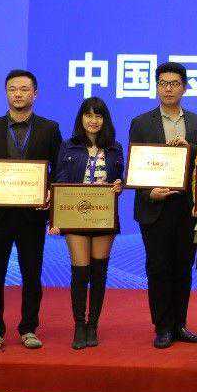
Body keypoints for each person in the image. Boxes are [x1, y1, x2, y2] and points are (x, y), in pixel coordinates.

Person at [0, 70, 62, 353]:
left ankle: (28, 328)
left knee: (31, 274)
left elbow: (58, 170)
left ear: (34, 93)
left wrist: (50, 195)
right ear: (6, 92)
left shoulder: (49, 128)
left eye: (24, 89)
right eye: (13, 89)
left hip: (32, 215)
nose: (18, 94)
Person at [128, 61, 197, 349]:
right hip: (155, 206)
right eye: (163, 83)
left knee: (183, 267)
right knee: (158, 267)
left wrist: (191, 149)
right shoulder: (141, 122)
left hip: (186, 206)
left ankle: (180, 324)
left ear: (184, 88)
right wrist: (150, 191)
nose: (168, 89)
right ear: (157, 87)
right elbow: (136, 166)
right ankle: (162, 326)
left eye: (174, 84)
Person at [52, 97, 124, 349]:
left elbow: (120, 178)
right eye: (88, 115)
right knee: (80, 273)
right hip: (75, 216)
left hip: (104, 216)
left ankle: (93, 325)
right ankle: (79, 326)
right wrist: (56, 218)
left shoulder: (115, 148)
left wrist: (119, 184)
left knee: (99, 273)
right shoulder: (68, 146)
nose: (93, 121)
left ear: (105, 120)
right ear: (81, 118)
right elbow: (59, 181)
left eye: (98, 116)